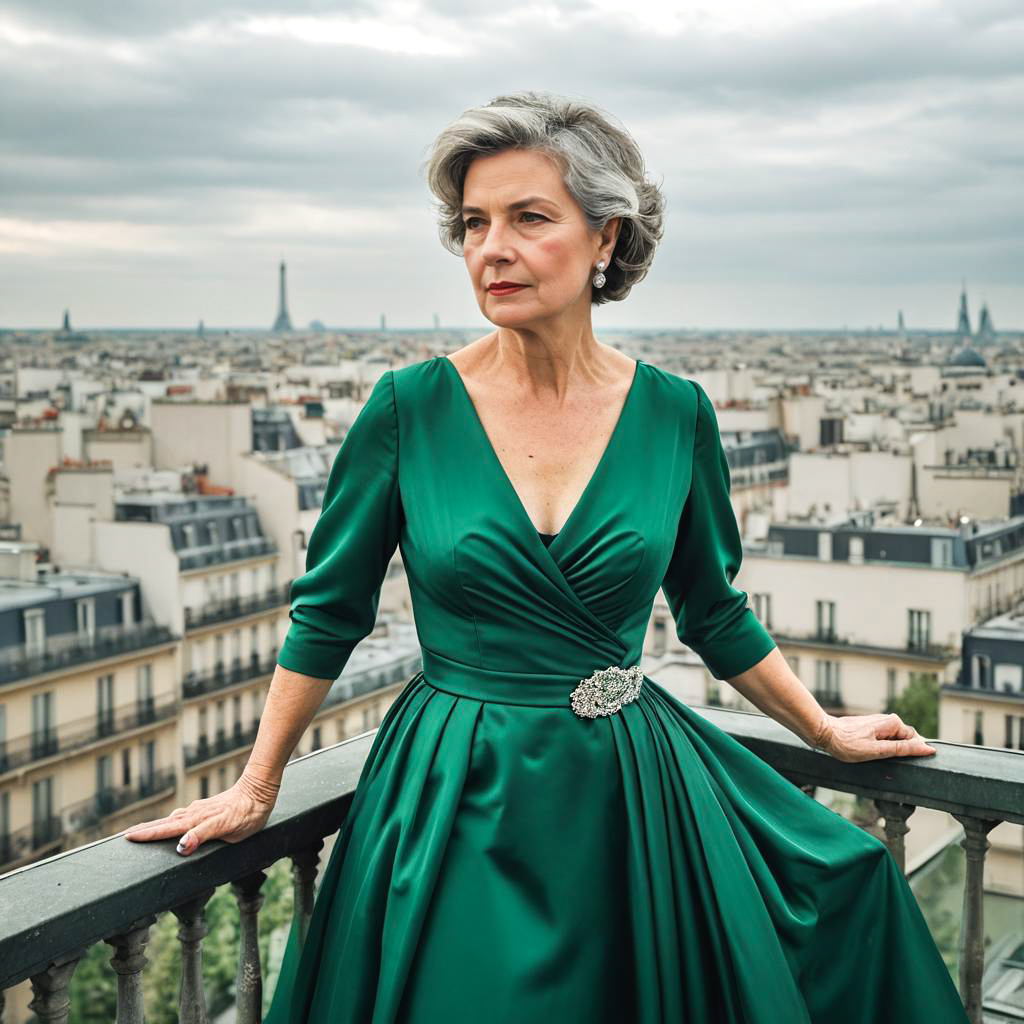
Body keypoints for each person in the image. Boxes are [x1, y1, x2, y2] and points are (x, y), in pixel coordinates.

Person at [124, 91, 968, 1023]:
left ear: (606, 239)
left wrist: (823, 732)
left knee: (841, 891)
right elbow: (330, 611)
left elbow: (711, 609)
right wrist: (256, 784)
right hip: (456, 788)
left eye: (530, 218)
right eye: (474, 223)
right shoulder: (407, 409)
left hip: (627, 785)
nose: (492, 247)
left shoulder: (676, 413)